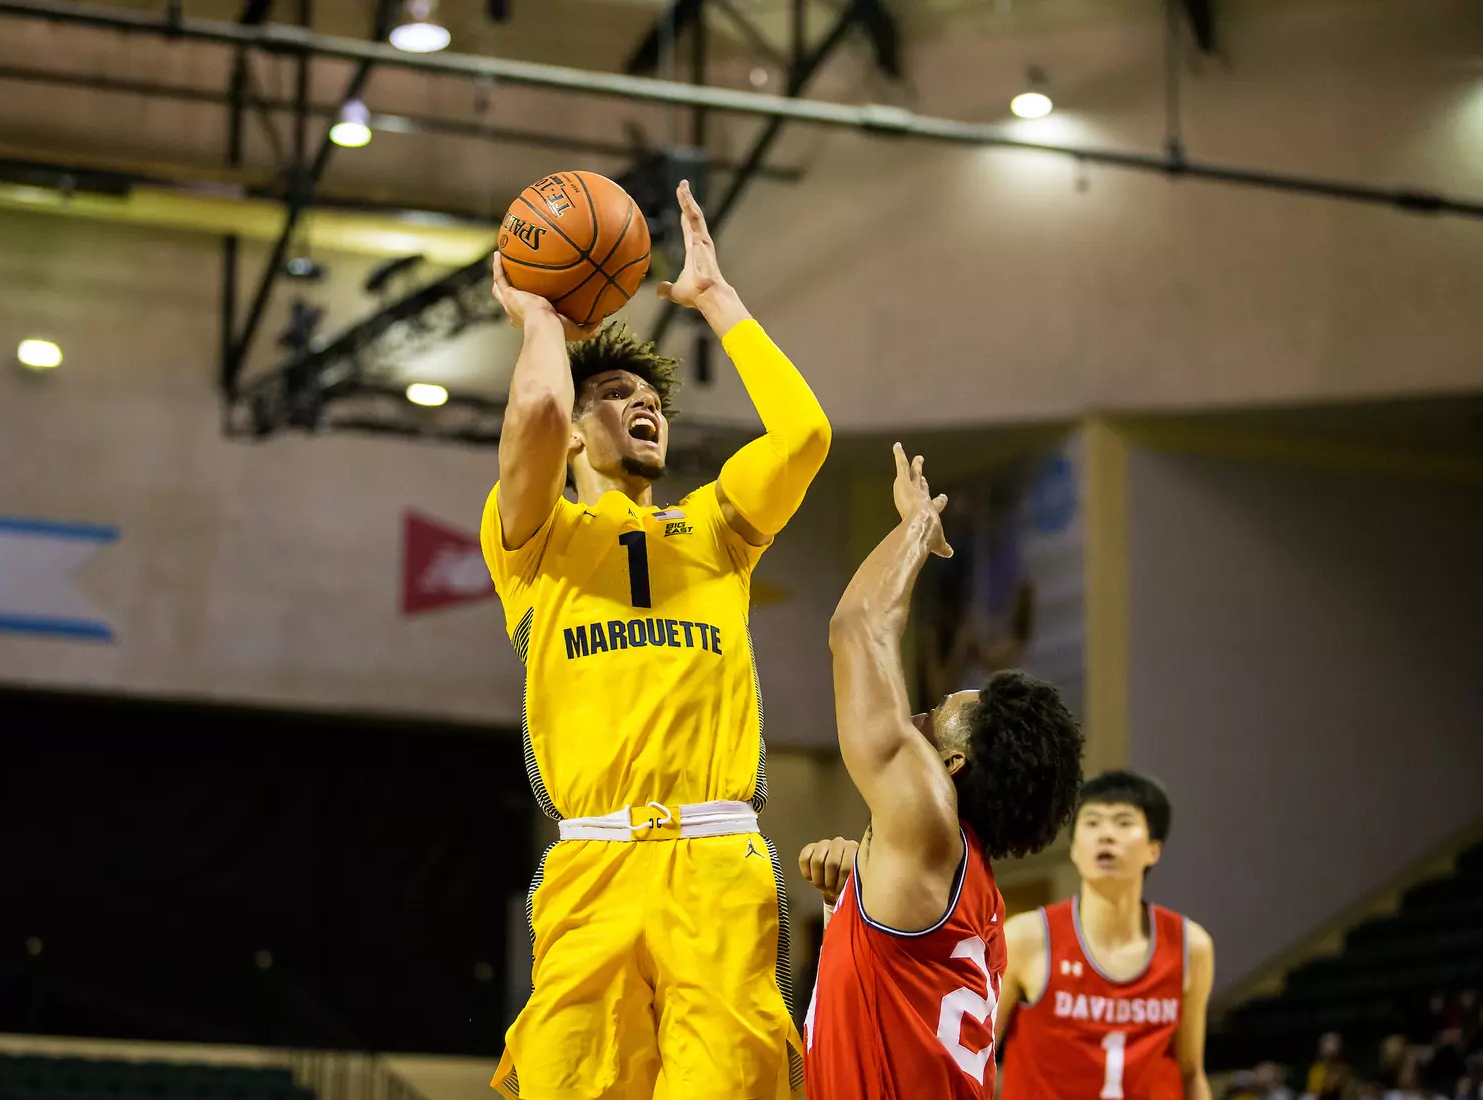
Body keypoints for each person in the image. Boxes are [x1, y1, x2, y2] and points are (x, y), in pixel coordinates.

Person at [481, 179, 831, 1100]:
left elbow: (803, 436)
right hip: (591, 862)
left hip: (716, 859)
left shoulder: (717, 529)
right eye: (613, 394)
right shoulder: (534, 540)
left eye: (649, 396)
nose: (640, 404)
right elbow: (536, 417)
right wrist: (542, 318)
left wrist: (718, 299)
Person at [798, 444, 1085, 1098]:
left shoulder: (929, 821)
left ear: (952, 764)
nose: (919, 713)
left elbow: (858, 629)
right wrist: (856, 900)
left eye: (939, 713)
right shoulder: (965, 885)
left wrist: (917, 530)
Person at [995, 769, 1216, 1100]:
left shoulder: (1191, 947)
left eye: (1123, 822)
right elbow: (975, 1056)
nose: (1106, 835)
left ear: (1154, 850)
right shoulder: (1026, 938)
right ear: (1074, 849)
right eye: (1093, 822)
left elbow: (1191, 1072)